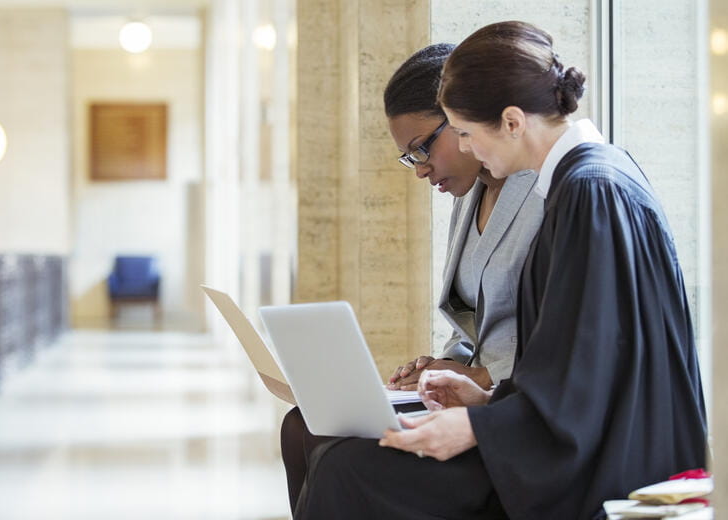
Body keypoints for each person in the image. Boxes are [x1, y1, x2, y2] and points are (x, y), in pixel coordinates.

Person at [295, 21, 708, 520]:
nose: (468, 149)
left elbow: (588, 377)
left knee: (347, 470)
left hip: (600, 463)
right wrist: (488, 400)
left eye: (466, 133)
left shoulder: (591, 192)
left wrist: (479, 426)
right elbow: (570, 363)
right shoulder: (585, 182)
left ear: (512, 122)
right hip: (568, 440)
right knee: (337, 457)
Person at [280, 43, 545, 514]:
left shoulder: (551, 194)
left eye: (422, 148)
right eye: (409, 157)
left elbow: (562, 345)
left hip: (510, 412)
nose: (421, 169)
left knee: (342, 462)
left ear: (462, 117)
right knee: (302, 425)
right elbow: (477, 322)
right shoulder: (471, 193)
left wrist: (482, 377)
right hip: (471, 394)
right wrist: (443, 365)